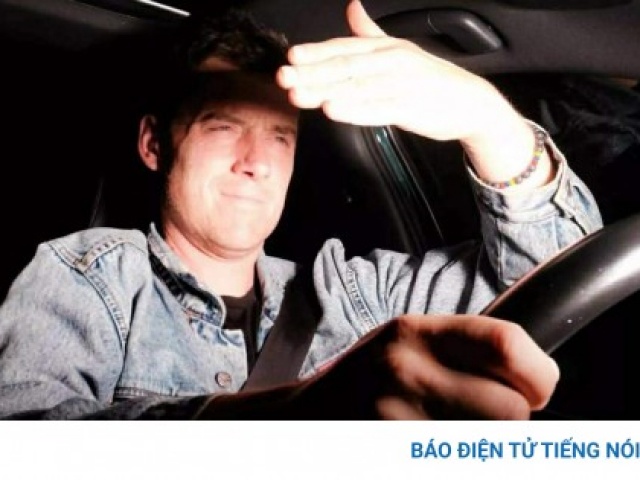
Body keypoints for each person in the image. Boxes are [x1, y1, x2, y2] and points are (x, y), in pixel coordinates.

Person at [0, 0, 601, 420]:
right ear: (155, 145)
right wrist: (290, 421)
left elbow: (562, 284)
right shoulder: (93, 276)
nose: (256, 162)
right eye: (222, 126)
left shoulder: (356, 293)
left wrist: (488, 124)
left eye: (280, 137)